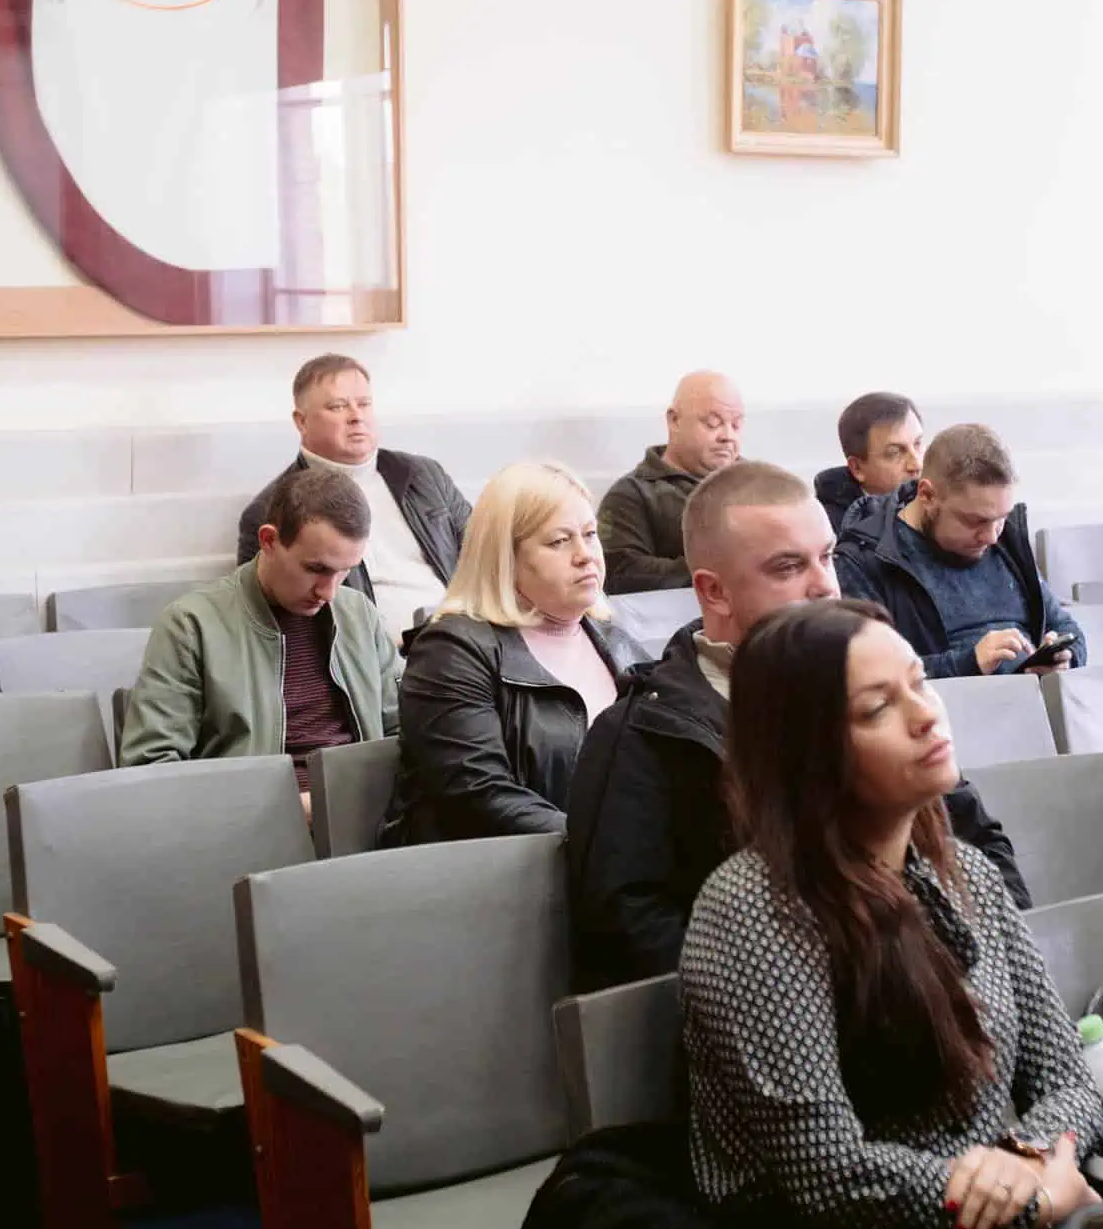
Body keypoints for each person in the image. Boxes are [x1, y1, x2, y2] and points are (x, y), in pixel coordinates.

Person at [680, 600, 1102, 1228]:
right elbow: (826, 1174)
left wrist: (1029, 1160)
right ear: (808, 753)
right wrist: (1026, 1203)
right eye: (878, 708)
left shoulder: (966, 872)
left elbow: (1068, 1079)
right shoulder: (752, 910)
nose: (927, 714)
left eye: (919, 682)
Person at [568, 462, 1031, 991]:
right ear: (714, 592)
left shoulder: (880, 688)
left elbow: (976, 843)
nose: (825, 586)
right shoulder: (645, 733)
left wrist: (984, 979)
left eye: (827, 557)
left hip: (931, 988)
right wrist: (808, 991)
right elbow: (630, 933)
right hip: (767, 1007)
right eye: (788, 567)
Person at [382, 461, 647, 844]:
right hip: (501, 868)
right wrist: (605, 845)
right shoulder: (452, 652)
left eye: (590, 535)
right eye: (559, 541)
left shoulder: (618, 644)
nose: (585, 555)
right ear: (505, 558)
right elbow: (479, 794)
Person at [123, 468, 400, 816]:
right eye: (316, 569)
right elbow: (152, 770)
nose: (329, 592)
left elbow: (406, 731)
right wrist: (290, 812)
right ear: (268, 541)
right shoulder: (191, 626)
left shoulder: (358, 614)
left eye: (346, 570)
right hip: (252, 827)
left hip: (366, 819)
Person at [235, 355, 470, 639]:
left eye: (364, 403)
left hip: (462, 638)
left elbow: (486, 552)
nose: (356, 416)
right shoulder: (270, 510)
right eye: (338, 406)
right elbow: (268, 623)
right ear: (301, 421)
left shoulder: (424, 475)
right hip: (374, 652)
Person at [835, 423, 1083, 679]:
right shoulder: (863, 561)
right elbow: (870, 676)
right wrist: (969, 663)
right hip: (946, 703)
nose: (991, 537)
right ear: (927, 496)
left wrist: (1064, 658)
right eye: (975, 521)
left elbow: (1068, 628)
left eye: (1001, 518)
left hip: (1031, 698)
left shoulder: (1007, 539)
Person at [599, 371, 744, 593]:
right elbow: (621, 572)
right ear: (674, 420)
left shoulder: (761, 483)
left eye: (736, 425)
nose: (727, 436)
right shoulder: (631, 495)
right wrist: (722, 571)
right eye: (713, 423)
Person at [813, 392, 926, 533]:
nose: (917, 465)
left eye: (918, 444)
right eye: (894, 453)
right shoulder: (830, 534)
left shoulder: (939, 504)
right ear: (857, 468)